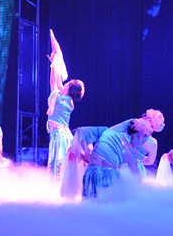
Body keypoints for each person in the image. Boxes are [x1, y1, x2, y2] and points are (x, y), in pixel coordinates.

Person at [81, 118, 154, 199]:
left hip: (90, 175)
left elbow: (82, 133)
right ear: (136, 136)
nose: (141, 145)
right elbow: (135, 171)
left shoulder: (111, 134)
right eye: (142, 141)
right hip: (105, 176)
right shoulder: (124, 143)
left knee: (91, 203)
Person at [46, 29, 85, 179]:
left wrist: (54, 63)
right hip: (62, 135)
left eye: (67, 84)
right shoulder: (68, 101)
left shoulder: (60, 98)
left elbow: (54, 81)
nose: (65, 83)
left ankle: (60, 185)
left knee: (59, 164)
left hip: (60, 136)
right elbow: (55, 81)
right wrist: (53, 63)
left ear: (68, 89)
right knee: (62, 165)